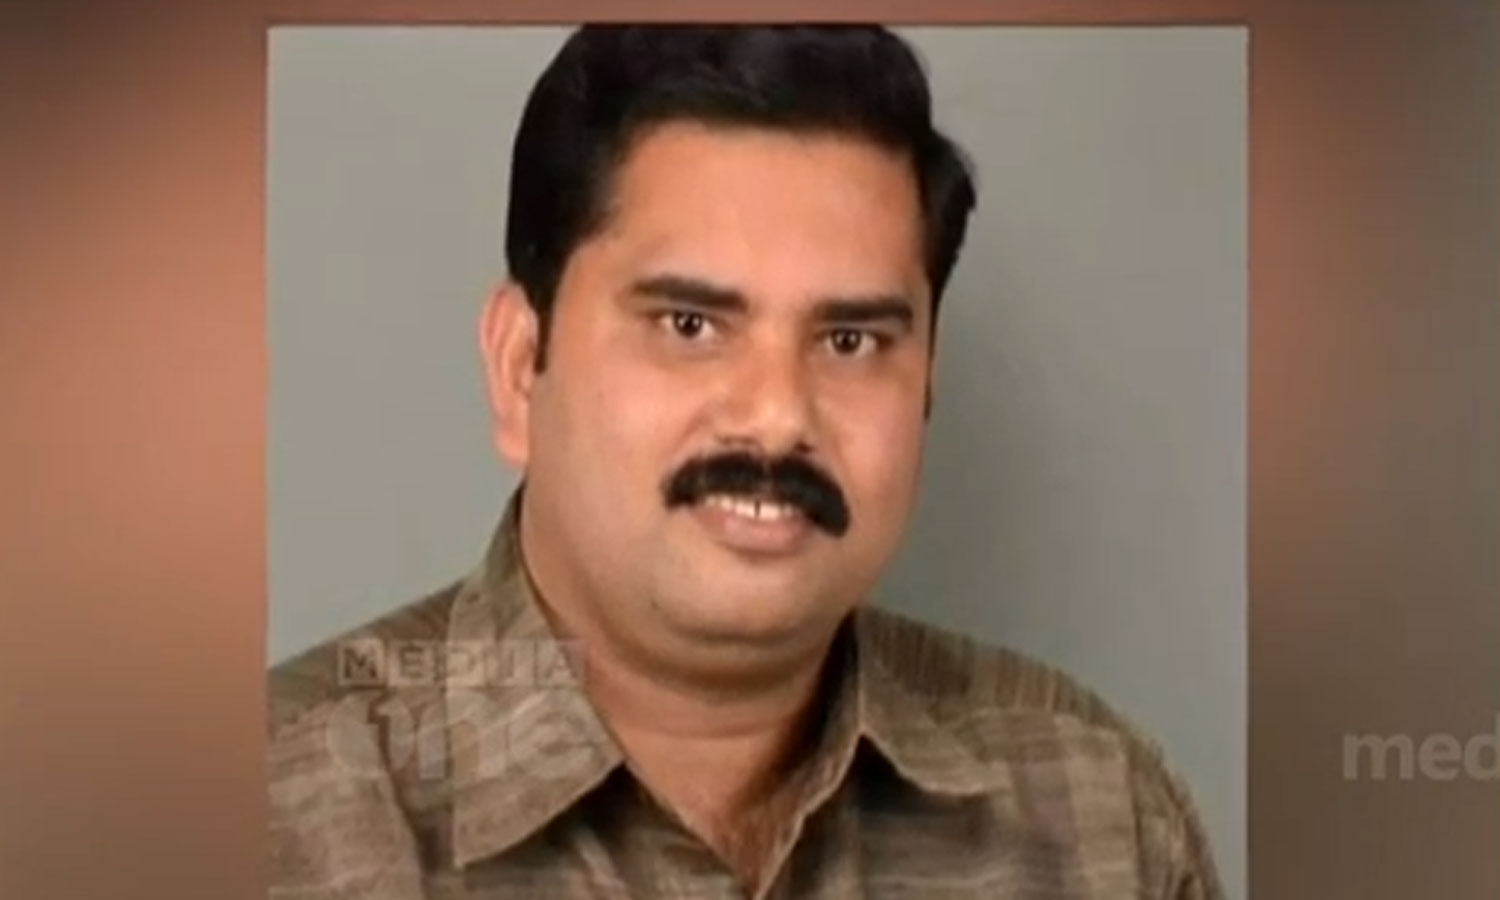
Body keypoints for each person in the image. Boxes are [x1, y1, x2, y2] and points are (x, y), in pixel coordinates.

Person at [268, 23, 1225, 900]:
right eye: (689, 325)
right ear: (521, 367)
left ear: (927, 382)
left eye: (850, 341)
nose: (776, 419)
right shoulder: (275, 820)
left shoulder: (1097, 818)